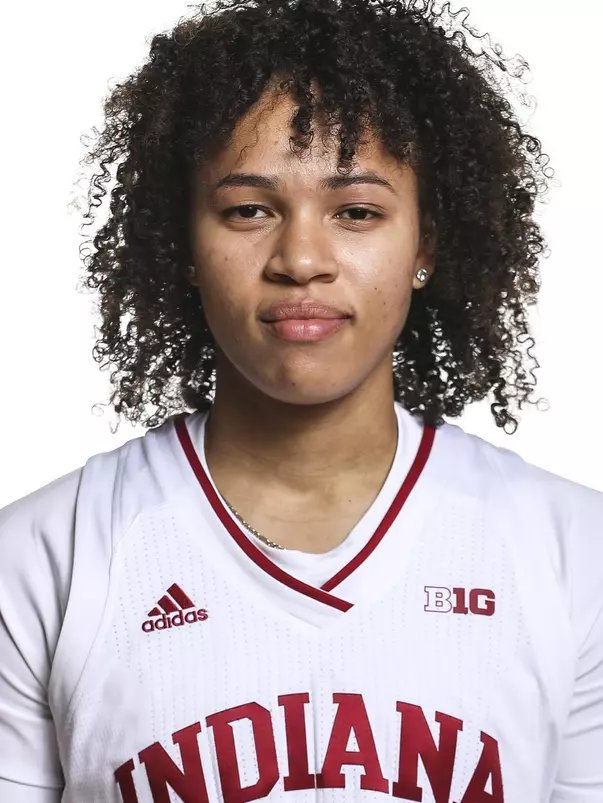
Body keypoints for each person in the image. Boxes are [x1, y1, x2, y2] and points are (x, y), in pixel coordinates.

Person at [1, 0, 602, 800]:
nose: (301, 258)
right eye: (249, 209)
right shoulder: (45, 556)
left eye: (356, 211)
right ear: (183, 242)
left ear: (423, 243)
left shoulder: (571, 554)